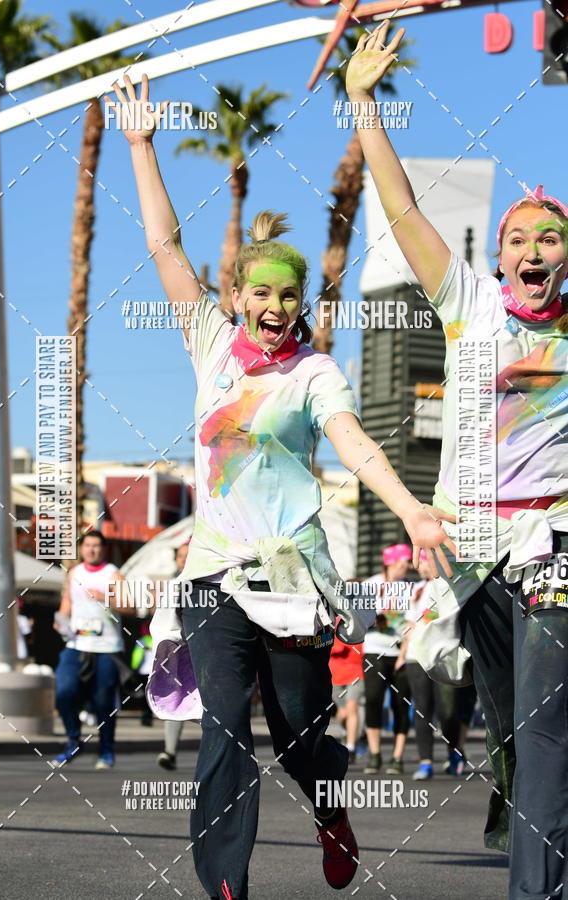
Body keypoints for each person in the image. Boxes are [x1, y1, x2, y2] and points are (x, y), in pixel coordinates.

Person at [106, 73, 455, 900]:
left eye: (288, 294)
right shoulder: (209, 343)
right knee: (226, 727)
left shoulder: (315, 372)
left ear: (301, 303)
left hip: (292, 578)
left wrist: (411, 509)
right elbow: (164, 247)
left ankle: (331, 808)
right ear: (236, 297)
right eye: (259, 291)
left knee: (298, 734)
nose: (274, 305)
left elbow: (354, 443)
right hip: (212, 575)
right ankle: (227, 883)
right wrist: (140, 146)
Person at [347, 21, 568, 899]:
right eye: (519, 239)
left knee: (545, 723)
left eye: (549, 239)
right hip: (469, 546)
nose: (532, 252)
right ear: (499, 254)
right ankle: (531, 815)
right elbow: (402, 210)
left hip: (554, 543)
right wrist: (364, 104)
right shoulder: (467, 300)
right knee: (511, 725)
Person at [51, 530, 135, 770]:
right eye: (87, 545)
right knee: (64, 691)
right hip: (76, 644)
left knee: (103, 701)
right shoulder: (74, 573)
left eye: (96, 545)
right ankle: (73, 741)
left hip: (107, 647)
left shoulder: (113, 574)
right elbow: (67, 603)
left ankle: (106, 751)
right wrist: (60, 620)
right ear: (81, 549)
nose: (91, 550)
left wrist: (106, 598)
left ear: (103, 549)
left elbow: (131, 607)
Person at [403, 552, 464, 779]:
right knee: (422, 709)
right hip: (416, 656)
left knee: (448, 710)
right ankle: (425, 762)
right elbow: (409, 622)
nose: (419, 567)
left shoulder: (450, 584)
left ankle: (454, 752)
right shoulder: (416, 589)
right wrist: (403, 651)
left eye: (422, 561)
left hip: (443, 654)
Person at [361, 544, 413, 775]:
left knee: (401, 704)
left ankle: (397, 756)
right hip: (374, 650)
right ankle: (374, 754)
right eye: (404, 563)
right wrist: (376, 620)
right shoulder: (370, 585)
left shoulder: (411, 588)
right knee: (373, 699)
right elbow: (357, 616)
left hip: (402, 653)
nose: (407, 567)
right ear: (391, 563)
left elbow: (417, 619)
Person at [157, 540, 190, 770]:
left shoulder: (209, 583)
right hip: (178, 650)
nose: (184, 560)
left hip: (204, 649)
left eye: (188, 556)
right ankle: (170, 751)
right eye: (181, 556)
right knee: (174, 696)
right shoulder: (171, 585)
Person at [328, 623, 364, 764]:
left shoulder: (359, 620)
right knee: (342, 714)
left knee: (352, 709)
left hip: (356, 672)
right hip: (335, 674)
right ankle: (350, 733)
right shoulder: (331, 621)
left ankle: (351, 747)